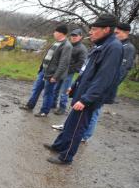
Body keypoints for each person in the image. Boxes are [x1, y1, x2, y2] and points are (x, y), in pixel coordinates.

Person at [44, 14, 123, 165]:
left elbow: (104, 78)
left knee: (76, 128)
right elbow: (87, 70)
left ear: (106, 29)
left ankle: (66, 157)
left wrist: (86, 99)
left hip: (89, 97)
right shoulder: (100, 45)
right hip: (82, 92)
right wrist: (74, 87)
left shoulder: (113, 48)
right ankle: (59, 146)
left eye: (94, 29)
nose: (91, 32)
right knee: (69, 123)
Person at [82, 22, 136, 142]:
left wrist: (108, 86)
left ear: (126, 33)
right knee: (88, 108)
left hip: (106, 86)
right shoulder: (114, 45)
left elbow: (122, 70)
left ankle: (86, 135)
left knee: (95, 110)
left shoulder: (128, 48)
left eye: (117, 33)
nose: (115, 35)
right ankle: (82, 131)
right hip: (99, 83)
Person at [19, 25, 72, 117]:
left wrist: (55, 76)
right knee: (36, 89)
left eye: (55, 32)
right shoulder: (56, 43)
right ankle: (30, 105)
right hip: (44, 71)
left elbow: (63, 63)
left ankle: (44, 111)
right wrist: (41, 69)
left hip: (52, 74)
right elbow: (48, 57)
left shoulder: (67, 46)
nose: (54, 33)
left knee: (48, 93)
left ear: (60, 33)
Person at [52, 28, 88, 115]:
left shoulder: (82, 48)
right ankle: (53, 104)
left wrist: (70, 70)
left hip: (69, 73)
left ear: (80, 37)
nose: (74, 37)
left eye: (76, 35)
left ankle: (62, 108)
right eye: (72, 35)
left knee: (65, 91)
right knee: (56, 88)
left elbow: (81, 63)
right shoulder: (67, 45)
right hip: (60, 71)